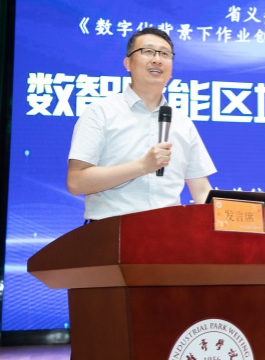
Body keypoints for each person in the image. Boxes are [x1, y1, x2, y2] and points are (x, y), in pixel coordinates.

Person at [67, 27, 216, 220]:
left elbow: (201, 190)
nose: (157, 59)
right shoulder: (100, 112)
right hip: (112, 230)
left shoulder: (182, 122)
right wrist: (142, 166)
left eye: (165, 54)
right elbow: (76, 182)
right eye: (148, 51)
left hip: (169, 232)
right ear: (128, 63)